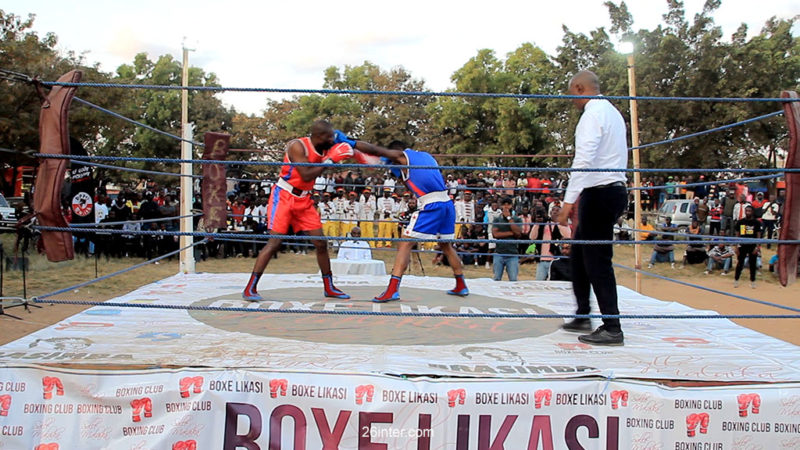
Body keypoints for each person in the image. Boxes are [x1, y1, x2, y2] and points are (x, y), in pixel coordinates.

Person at [343, 135, 469, 302]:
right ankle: (461, 284)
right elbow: (414, 182)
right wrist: (397, 173)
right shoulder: (425, 157)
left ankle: (392, 289)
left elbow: (375, 150)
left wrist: (351, 143)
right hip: (447, 203)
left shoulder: (403, 156)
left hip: (432, 204)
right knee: (446, 245)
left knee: (405, 243)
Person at [242, 120, 353, 301]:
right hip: (284, 196)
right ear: (319, 137)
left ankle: (329, 287)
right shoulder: (297, 146)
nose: (332, 140)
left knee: (321, 243)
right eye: (330, 137)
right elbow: (307, 174)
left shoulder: (325, 145)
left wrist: (349, 144)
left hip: (305, 200)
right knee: (274, 243)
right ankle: (250, 288)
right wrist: (331, 159)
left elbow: (349, 147)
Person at [556, 70, 628, 346]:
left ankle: (612, 326)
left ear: (579, 88)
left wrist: (567, 202)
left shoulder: (592, 115)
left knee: (597, 261)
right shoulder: (611, 112)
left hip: (600, 191)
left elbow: (584, 160)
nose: (571, 101)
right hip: (607, 190)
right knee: (580, 255)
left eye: (571, 94)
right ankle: (584, 313)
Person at [530, 205, 572, 280]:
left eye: (557, 210)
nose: (555, 212)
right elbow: (532, 237)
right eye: (553, 210)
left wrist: (558, 222)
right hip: (542, 260)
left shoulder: (563, 224)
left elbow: (568, 236)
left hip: (556, 261)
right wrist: (537, 224)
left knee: (554, 283)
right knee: (539, 283)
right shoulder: (543, 223)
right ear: (550, 212)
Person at [491, 197, 523, 281]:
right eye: (504, 204)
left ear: (511, 206)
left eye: (508, 204)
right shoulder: (497, 219)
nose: (506, 207)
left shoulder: (517, 219)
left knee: (513, 279)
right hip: (499, 253)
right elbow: (495, 234)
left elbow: (518, 234)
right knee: (497, 278)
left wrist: (509, 218)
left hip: (512, 254)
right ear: (501, 206)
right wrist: (511, 233)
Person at [734, 205, 761, 289]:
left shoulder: (756, 222)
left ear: (752, 212)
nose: (747, 212)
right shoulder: (740, 222)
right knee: (740, 263)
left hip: (752, 245)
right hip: (742, 245)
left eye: (749, 211)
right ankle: (736, 280)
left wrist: (757, 247)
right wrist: (737, 246)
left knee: (752, 264)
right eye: (746, 211)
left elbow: (758, 235)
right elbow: (737, 235)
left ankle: (753, 281)